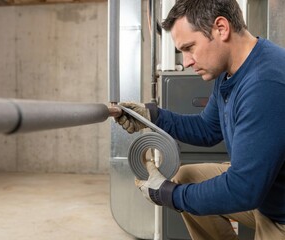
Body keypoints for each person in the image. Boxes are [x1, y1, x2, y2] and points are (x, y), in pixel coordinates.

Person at [115, 0, 285, 239]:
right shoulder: (230, 71)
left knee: (187, 191)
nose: (186, 62)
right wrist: (153, 117)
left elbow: (243, 190)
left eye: (190, 47)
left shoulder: (265, 84)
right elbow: (208, 129)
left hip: (278, 214)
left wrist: (170, 195)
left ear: (221, 28)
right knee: (187, 177)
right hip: (265, 192)